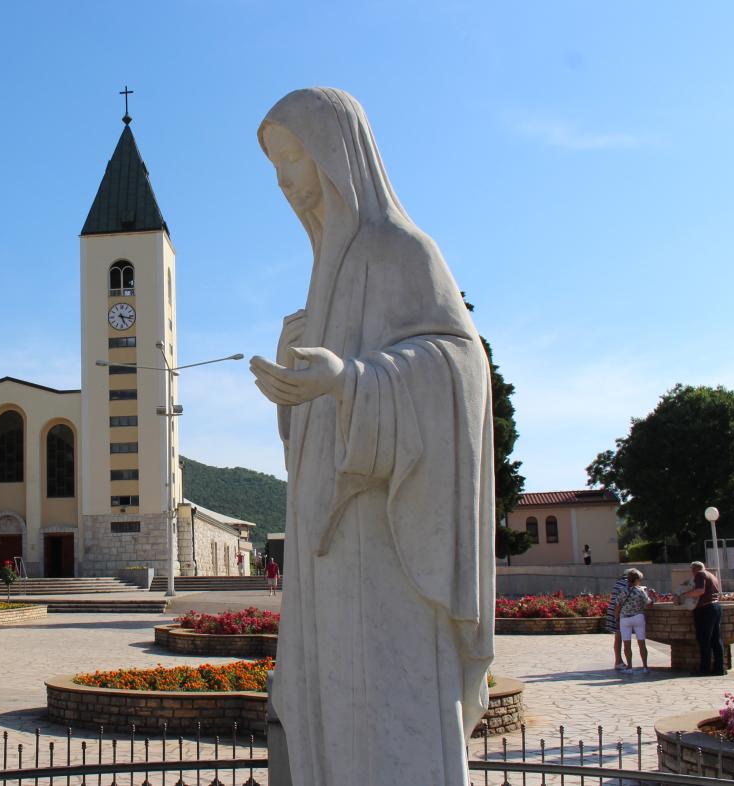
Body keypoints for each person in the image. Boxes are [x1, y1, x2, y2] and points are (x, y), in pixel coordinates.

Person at [248, 88, 494, 786]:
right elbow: (308, 441)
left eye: (294, 159)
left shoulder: (401, 250)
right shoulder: (324, 270)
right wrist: (300, 388)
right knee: (330, 714)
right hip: (328, 554)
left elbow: (460, 367)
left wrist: (351, 381)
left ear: (336, 155)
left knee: (391, 714)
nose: (287, 183)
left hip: (388, 543)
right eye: (276, 168)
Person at [682, 560, 725, 675]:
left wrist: (685, 595)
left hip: (705, 609)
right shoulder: (712, 575)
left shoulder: (700, 574)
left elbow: (700, 590)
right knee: (716, 639)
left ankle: (704, 669)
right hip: (716, 607)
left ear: (694, 569)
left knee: (704, 639)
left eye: (692, 571)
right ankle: (719, 668)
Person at [616, 568, 657, 673]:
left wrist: (617, 617)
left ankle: (629, 667)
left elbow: (618, 605)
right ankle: (645, 666)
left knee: (626, 644)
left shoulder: (622, 591)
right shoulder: (641, 591)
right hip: (638, 617)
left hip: (625, 618)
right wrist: (652, 596)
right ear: (637, 579)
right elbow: (649, 603)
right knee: (641, 643)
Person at [604, 570, 630, 670]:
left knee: (618, 636)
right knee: (620, 636)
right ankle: (619, 661)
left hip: (613, 610)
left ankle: (618, 661)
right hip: (618, 611)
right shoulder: (627, 583)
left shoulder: (618, 583)